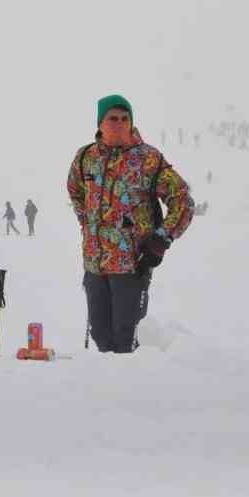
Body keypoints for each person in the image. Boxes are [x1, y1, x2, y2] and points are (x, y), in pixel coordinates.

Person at [67, 94, 193, 355]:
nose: (119, 123)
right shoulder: (85, 157)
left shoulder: (148, 159)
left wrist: (160, 240)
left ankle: (132, 391)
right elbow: (75, 191)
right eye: (112, 118)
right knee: (100, 335)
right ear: (100, 123)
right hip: (94, 264)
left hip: (132, 264)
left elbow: (182, 201)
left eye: (125, 118)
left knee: (126, 341)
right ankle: (103, 392)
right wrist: (87, 224)